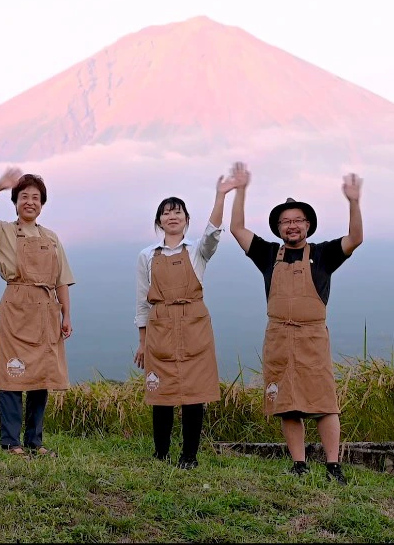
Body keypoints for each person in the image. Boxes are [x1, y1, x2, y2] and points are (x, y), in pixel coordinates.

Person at [228, 161, 363, 484]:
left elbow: (356, 238)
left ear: (308, 226)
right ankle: (299, 464)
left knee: (325, 403)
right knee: (287, 405)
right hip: (278, 336)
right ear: (277, 227)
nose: (292, 226)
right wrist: (241, 189)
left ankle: (333, 465)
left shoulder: (325, 254)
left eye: (298, 221)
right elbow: (237, 229)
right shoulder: (266, 254)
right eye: (285, 221)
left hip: (313, 337)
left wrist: (353, 202)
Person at [0, 168, 75, 456]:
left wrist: (67, 315)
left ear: (43, 203)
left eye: (36, 197)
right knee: (12, 374)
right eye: (24, 196)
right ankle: (10, 442)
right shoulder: (2, 230)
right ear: (14, 201)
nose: (30, 202)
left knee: (43, 376)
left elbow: (62, 279)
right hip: (16, 307)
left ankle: (34, 441)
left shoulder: (51, 238)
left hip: (47, 308)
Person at [134, 175, 238, 469]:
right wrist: (142, 342)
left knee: (195, 391)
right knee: (161, 391)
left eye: (177, 211)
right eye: (167, 212)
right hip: (161, 324)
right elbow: (142, 300)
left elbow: (214, 233)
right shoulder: (146, 256)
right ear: (159, 221)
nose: (172, 216)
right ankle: (160, 453)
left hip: (194, 323)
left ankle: (189, 456)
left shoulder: (197, 251)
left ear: (186, 219)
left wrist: (220, 195)